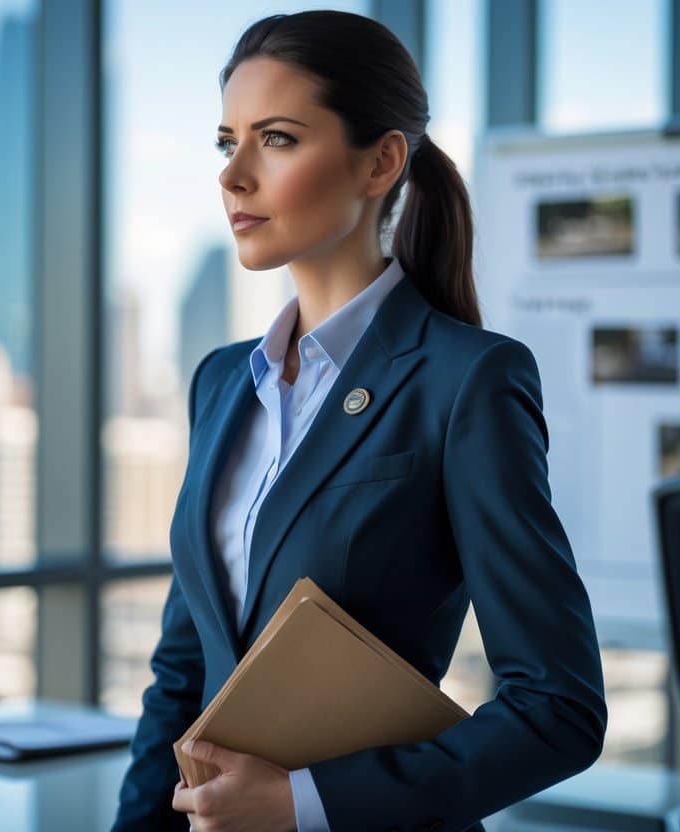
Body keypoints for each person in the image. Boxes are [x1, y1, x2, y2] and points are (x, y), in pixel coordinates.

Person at [112, 10, 607, 832]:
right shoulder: (220, 383)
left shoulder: (466, 380)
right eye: (224, 141)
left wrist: (303, 805)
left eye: (274, 139)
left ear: (380, 162)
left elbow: (558, 707)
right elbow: (184, 669)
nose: (234, 175)